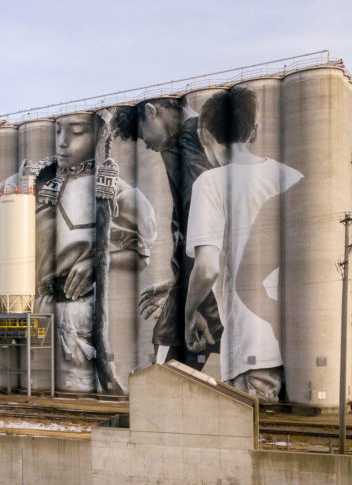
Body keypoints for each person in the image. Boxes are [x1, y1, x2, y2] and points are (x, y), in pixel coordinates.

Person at [183, 86, 302, 401]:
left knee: (254, 438)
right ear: (257, 131)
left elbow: (207, 268)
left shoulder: (211, 183)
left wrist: (190, 313)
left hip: (254, 345)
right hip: (301, 343)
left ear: (204, 133)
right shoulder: (292, 177)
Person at [31, 113, 155, 393]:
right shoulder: (45, 190)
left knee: (76, 386)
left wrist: (97, 262)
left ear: (99, 137)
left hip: (78, 312)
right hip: (43, 308)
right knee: (41, 386)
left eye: (76, 132)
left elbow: (141, 253)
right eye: (59, 131)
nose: (62, 143)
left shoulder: (121, 195)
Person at [112, 97, 221, 370]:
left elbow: (207, 228)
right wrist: (180, 282)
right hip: (202, 281)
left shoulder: (187, 144)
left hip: (207, 284)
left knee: (172, 364)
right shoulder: (197, 138)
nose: (145, 144)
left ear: (152, 111)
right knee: (175, 362)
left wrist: (190, 300)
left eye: (141, 133)